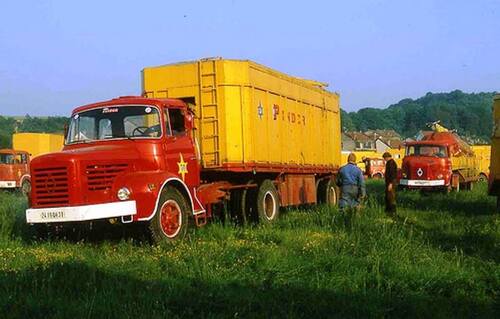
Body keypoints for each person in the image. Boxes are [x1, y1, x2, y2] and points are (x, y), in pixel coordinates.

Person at [383, 152, 398, 216]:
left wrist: (391, 184)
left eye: (384, 158)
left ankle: (392, 211)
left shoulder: (391, 163)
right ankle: (388, 210)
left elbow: (392, 174)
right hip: (390, 182)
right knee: (388, 196)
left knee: (391, 197)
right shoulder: (390, 163)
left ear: (387, 157)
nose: (384, 160)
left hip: (391, 182)